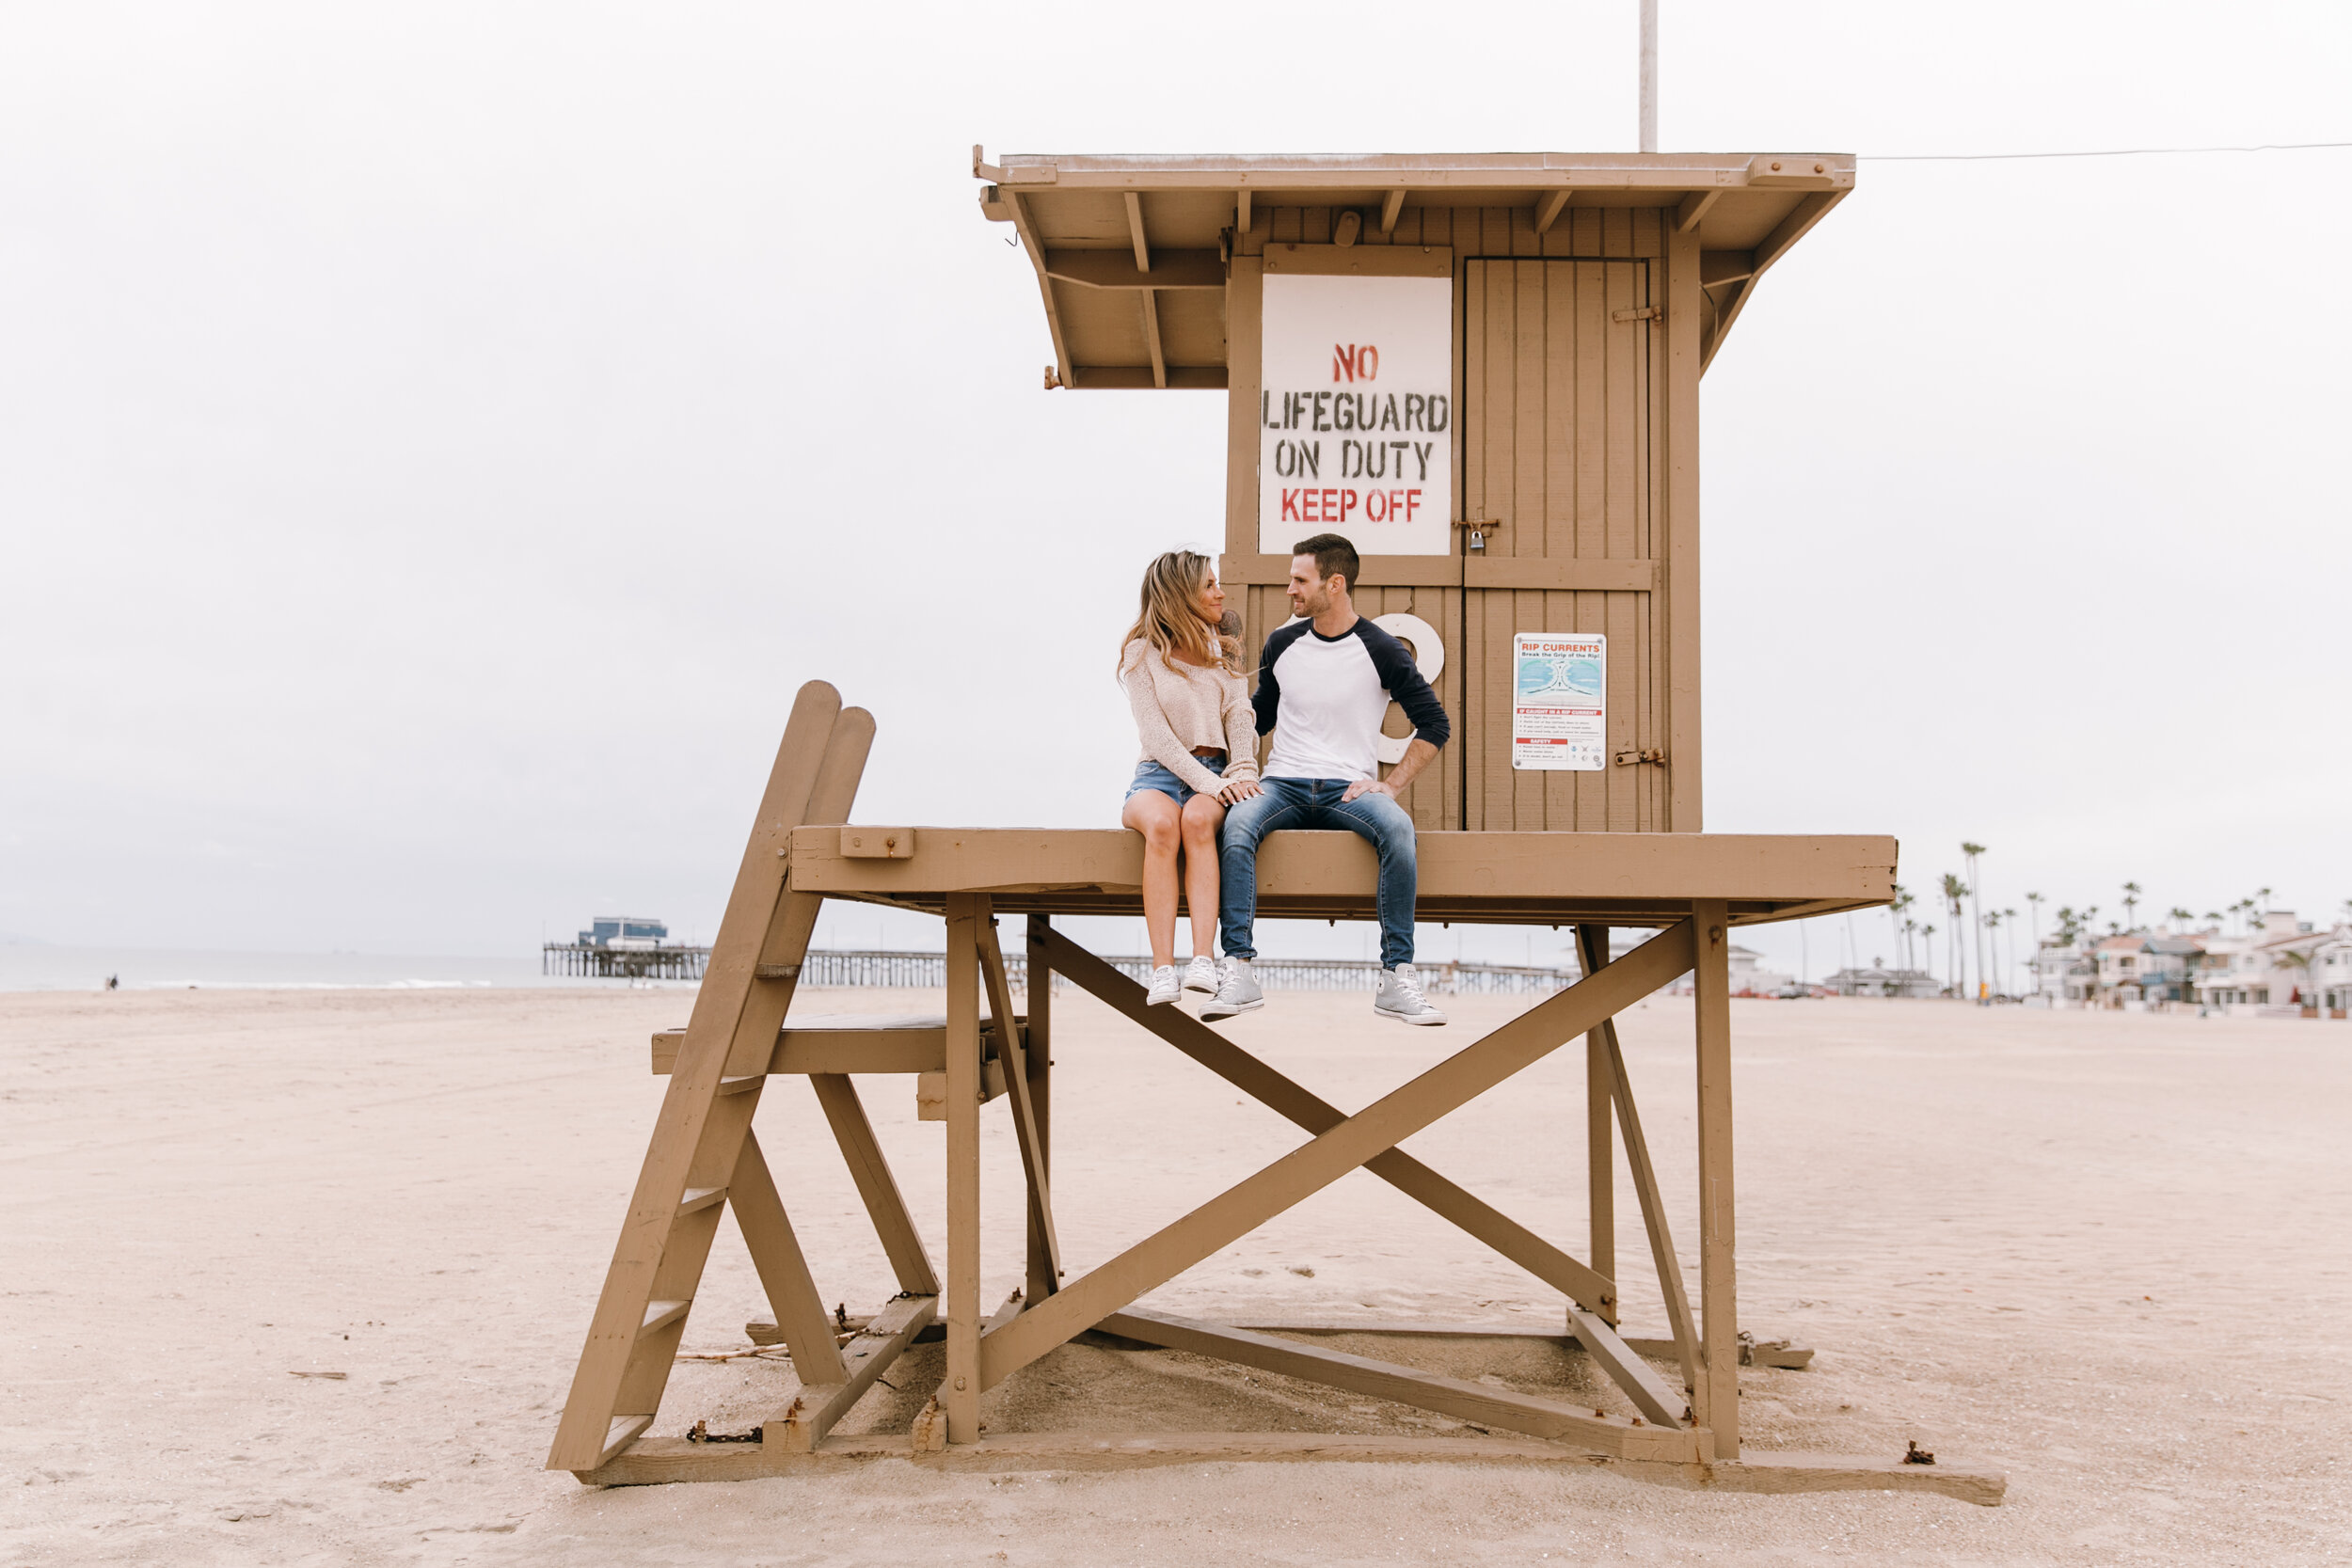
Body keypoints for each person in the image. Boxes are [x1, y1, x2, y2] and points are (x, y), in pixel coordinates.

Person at [1204, 532, 1451, 1026]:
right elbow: (1257, 720)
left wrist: (1391, 785)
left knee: (1399, 830)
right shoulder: (1283, 643)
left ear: (1334, 584)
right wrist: (1227, 756)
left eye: (1300, 580)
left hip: (1348, 790)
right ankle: (1239, 968)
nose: (1290, 589)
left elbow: (1435, 724)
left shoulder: (1381, 648)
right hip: (1282, 784)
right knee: (1237, 826)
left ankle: (1397, 977)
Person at [1118, 551, 1263, 1006]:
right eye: (1208, 586)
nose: (1220, 593)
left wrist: (1240, 770)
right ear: (1181, 595)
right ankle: (1163, 969)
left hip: (1216, 771)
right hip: (1157, 777)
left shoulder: (1224, 649)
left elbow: (1239, 714)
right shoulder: (1140, 654)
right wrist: (1212, 784)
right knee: (1162, 827)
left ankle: (1203, 959)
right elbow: (1156, 737)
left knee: (1198, 823)